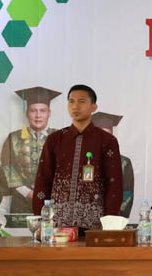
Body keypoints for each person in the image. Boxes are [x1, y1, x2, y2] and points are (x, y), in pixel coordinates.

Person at [32, 85, 123, 230]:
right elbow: (43, 179)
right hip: (58, 224)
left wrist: (110, 221)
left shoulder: (106, 140)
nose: (75, 106)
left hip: (94, 224)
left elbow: (114, 183)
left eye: (81, 101)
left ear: (94, 107)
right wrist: (39, 218)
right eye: (71, 101)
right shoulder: (55, 139)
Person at [1, 86, 60, 215]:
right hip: (21, 200)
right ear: (27, 113)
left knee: (52, 227)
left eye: (42, 111)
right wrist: (27, 192)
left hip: (54, 199)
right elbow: (6, 166)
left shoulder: (60, 137)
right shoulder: (14, 138)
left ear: (49, 113)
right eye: (33, 111)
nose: (38, 115)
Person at [92, 111, 135, 218]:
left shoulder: (123, 163)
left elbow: (127, 194)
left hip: (113, 218)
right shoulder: (84, 161)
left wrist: (114, 218)